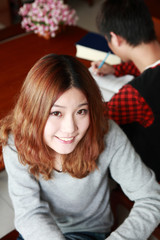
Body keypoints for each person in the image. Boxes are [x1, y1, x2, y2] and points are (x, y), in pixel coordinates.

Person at [0, 54, 160, 240]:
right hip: (40, 231)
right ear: (34, 111)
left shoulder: (107, 133)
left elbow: (152, 198)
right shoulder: (15, 141)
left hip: (89, 230)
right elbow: (29, 213)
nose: (70, 129)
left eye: (81, 111)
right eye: (56, 113)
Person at [91, 0, 160, 181]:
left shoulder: (135, 94)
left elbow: (94, 118)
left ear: (115, 38)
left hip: (151, 169)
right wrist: (116, 69)